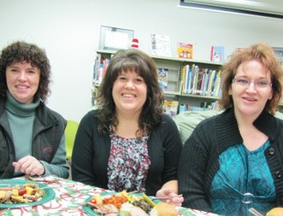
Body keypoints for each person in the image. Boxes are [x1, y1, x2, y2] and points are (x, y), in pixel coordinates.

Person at [178, 43, 283, 215]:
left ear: (272, 92)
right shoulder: (206, 132)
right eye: (242, 80)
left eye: (262, 83)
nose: (251, 90)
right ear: (229, 87)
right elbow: (190, 191)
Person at [72, 49, 183, 206]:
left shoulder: (165, 125)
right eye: (122, 78)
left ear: (149, 89)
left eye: (138, 80)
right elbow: (81, 179)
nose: (129, 86)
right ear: (111, 86)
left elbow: (173, 176)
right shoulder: (91, 122)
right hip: (99, 210)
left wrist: (167, 193)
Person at [0, 41, 69, 179]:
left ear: (41, 78)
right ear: (3, 75)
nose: (22, 78)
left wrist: (43, 167)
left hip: (38, 196)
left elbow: (62, 171)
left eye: (30, 71)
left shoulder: (55, 123)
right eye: (14, 70)